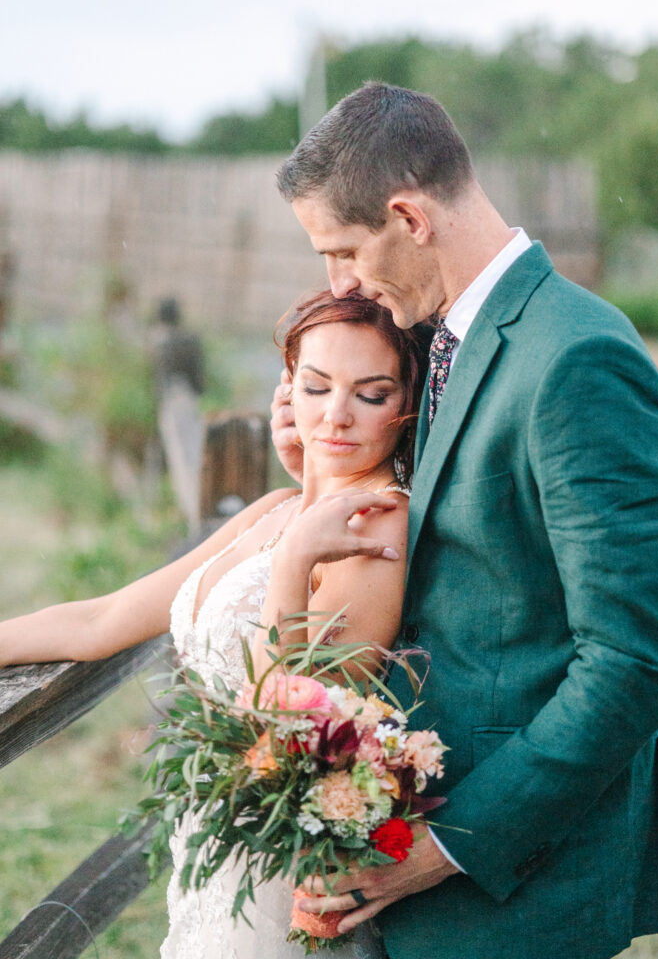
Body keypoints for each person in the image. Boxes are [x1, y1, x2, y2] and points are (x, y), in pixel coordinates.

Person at [270, 82, 658, 959]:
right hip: (396, 829)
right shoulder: (440, 340)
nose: (339, 285)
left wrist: (445, 845)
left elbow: (637, 655)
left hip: (510, 871)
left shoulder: (576, 356)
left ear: (408, 217)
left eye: (343, 253)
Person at [0, 289, 431, 959]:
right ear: (287, 387)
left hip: (281, 863)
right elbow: (104, 618)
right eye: (316, 386)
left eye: (370, 394)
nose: (336, 415)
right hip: (214, 840)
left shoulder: (376, 526)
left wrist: (291, 563)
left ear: (404, 407)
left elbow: (287, 714)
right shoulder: (278, 507)